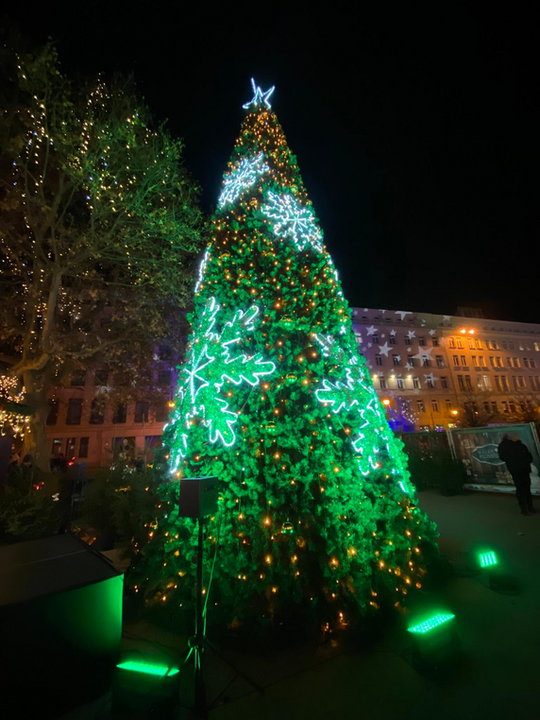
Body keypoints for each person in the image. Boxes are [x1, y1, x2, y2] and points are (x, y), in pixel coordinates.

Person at [497, 433, 535, 515]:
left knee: (526, 487)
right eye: (515, 436)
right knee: (521, 488)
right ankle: (524, 508)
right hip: (516, 470)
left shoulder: (520, 445)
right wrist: (516, 461)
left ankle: (529, 506)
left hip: (523, 469)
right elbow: (503, 457)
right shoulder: (505, 446)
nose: (517, 437)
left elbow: (529, 456)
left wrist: (526, 461)